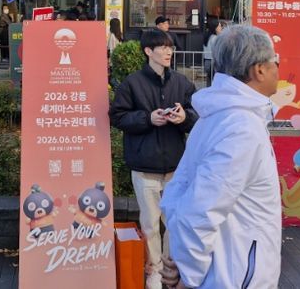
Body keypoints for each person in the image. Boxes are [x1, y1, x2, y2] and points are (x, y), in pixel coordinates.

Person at [159, 24, 282, 289]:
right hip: (234, 274)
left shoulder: (218, 116)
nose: (278, 69)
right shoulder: (242, 127)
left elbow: (178, 191)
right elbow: (199, 210)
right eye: (276, 61)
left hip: (226, 266)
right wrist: (189, 276)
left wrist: (182, 262)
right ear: (259, 70)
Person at [109, 29, 198, 289]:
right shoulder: (132, 83)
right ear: (148, 51)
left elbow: (197, 114)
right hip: (144, 165)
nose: (168, 52)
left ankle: (170, 268)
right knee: (149, 223)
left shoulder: (181, 82)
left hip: (175, 167)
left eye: (170, 47)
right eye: (163, 47)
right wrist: (147, 118)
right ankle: (154, 270)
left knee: (173, 223)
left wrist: (184, 118)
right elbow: (117, 116)